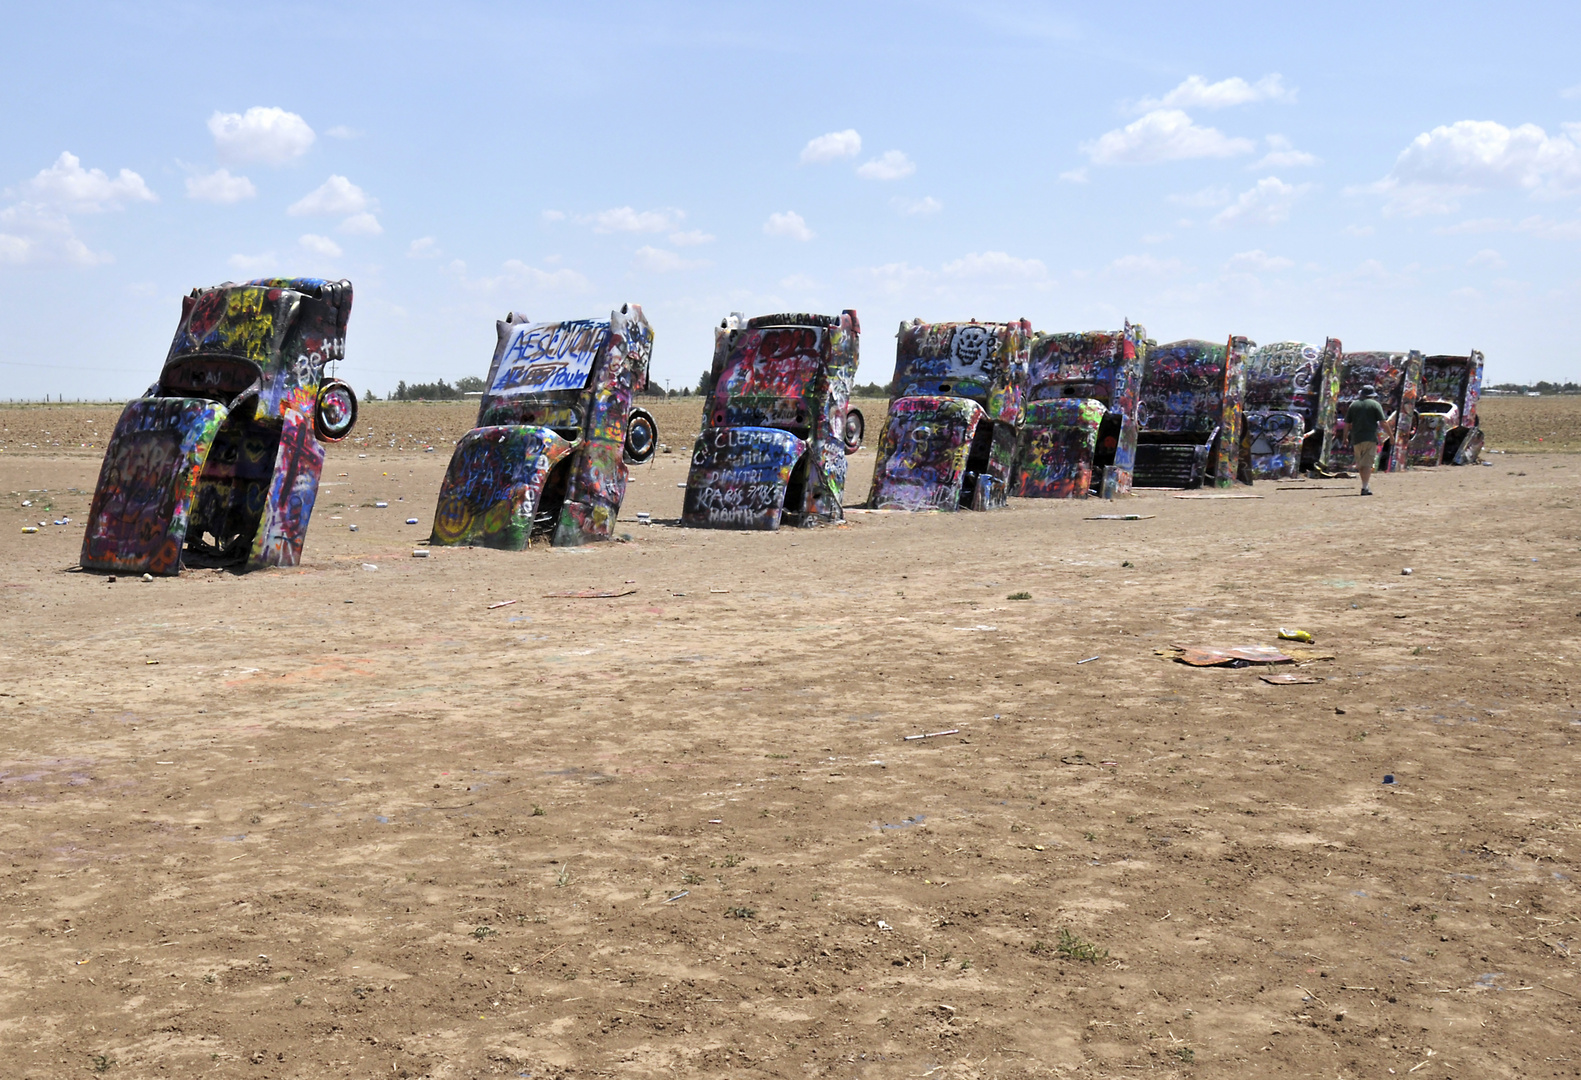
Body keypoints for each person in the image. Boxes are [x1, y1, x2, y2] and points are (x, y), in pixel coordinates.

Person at [1345, 384, 1389, 495]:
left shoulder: (1353, 405)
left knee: (1361, 464)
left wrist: (1345, 437)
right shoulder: (1375, 405)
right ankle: (1365, 487)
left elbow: (1347, 424)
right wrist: (1391, 436)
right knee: (1367, 464)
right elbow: (1383, 422)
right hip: (1370, 438)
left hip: (1356, 438)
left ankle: (1365, 485)